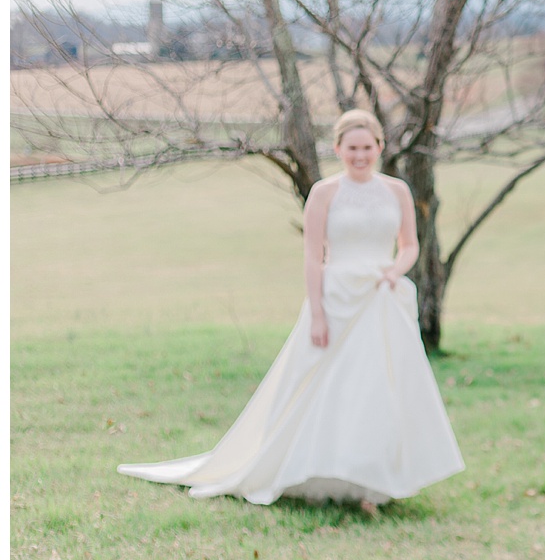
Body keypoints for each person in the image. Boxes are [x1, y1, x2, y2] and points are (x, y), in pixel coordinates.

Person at [119, 109, 464, 509]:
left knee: (375, 387)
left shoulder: (397, 191)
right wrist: (317, 313)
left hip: (380, 298)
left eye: (367, 147)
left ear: (379, 148)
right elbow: (312, 256)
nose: (359, 155)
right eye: (351, 148)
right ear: (338, 148)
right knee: (321, 385)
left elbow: (409, 246)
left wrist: (394, 271)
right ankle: (310, 471)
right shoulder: (324, 193)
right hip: (336, 299)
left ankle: (371, 482)